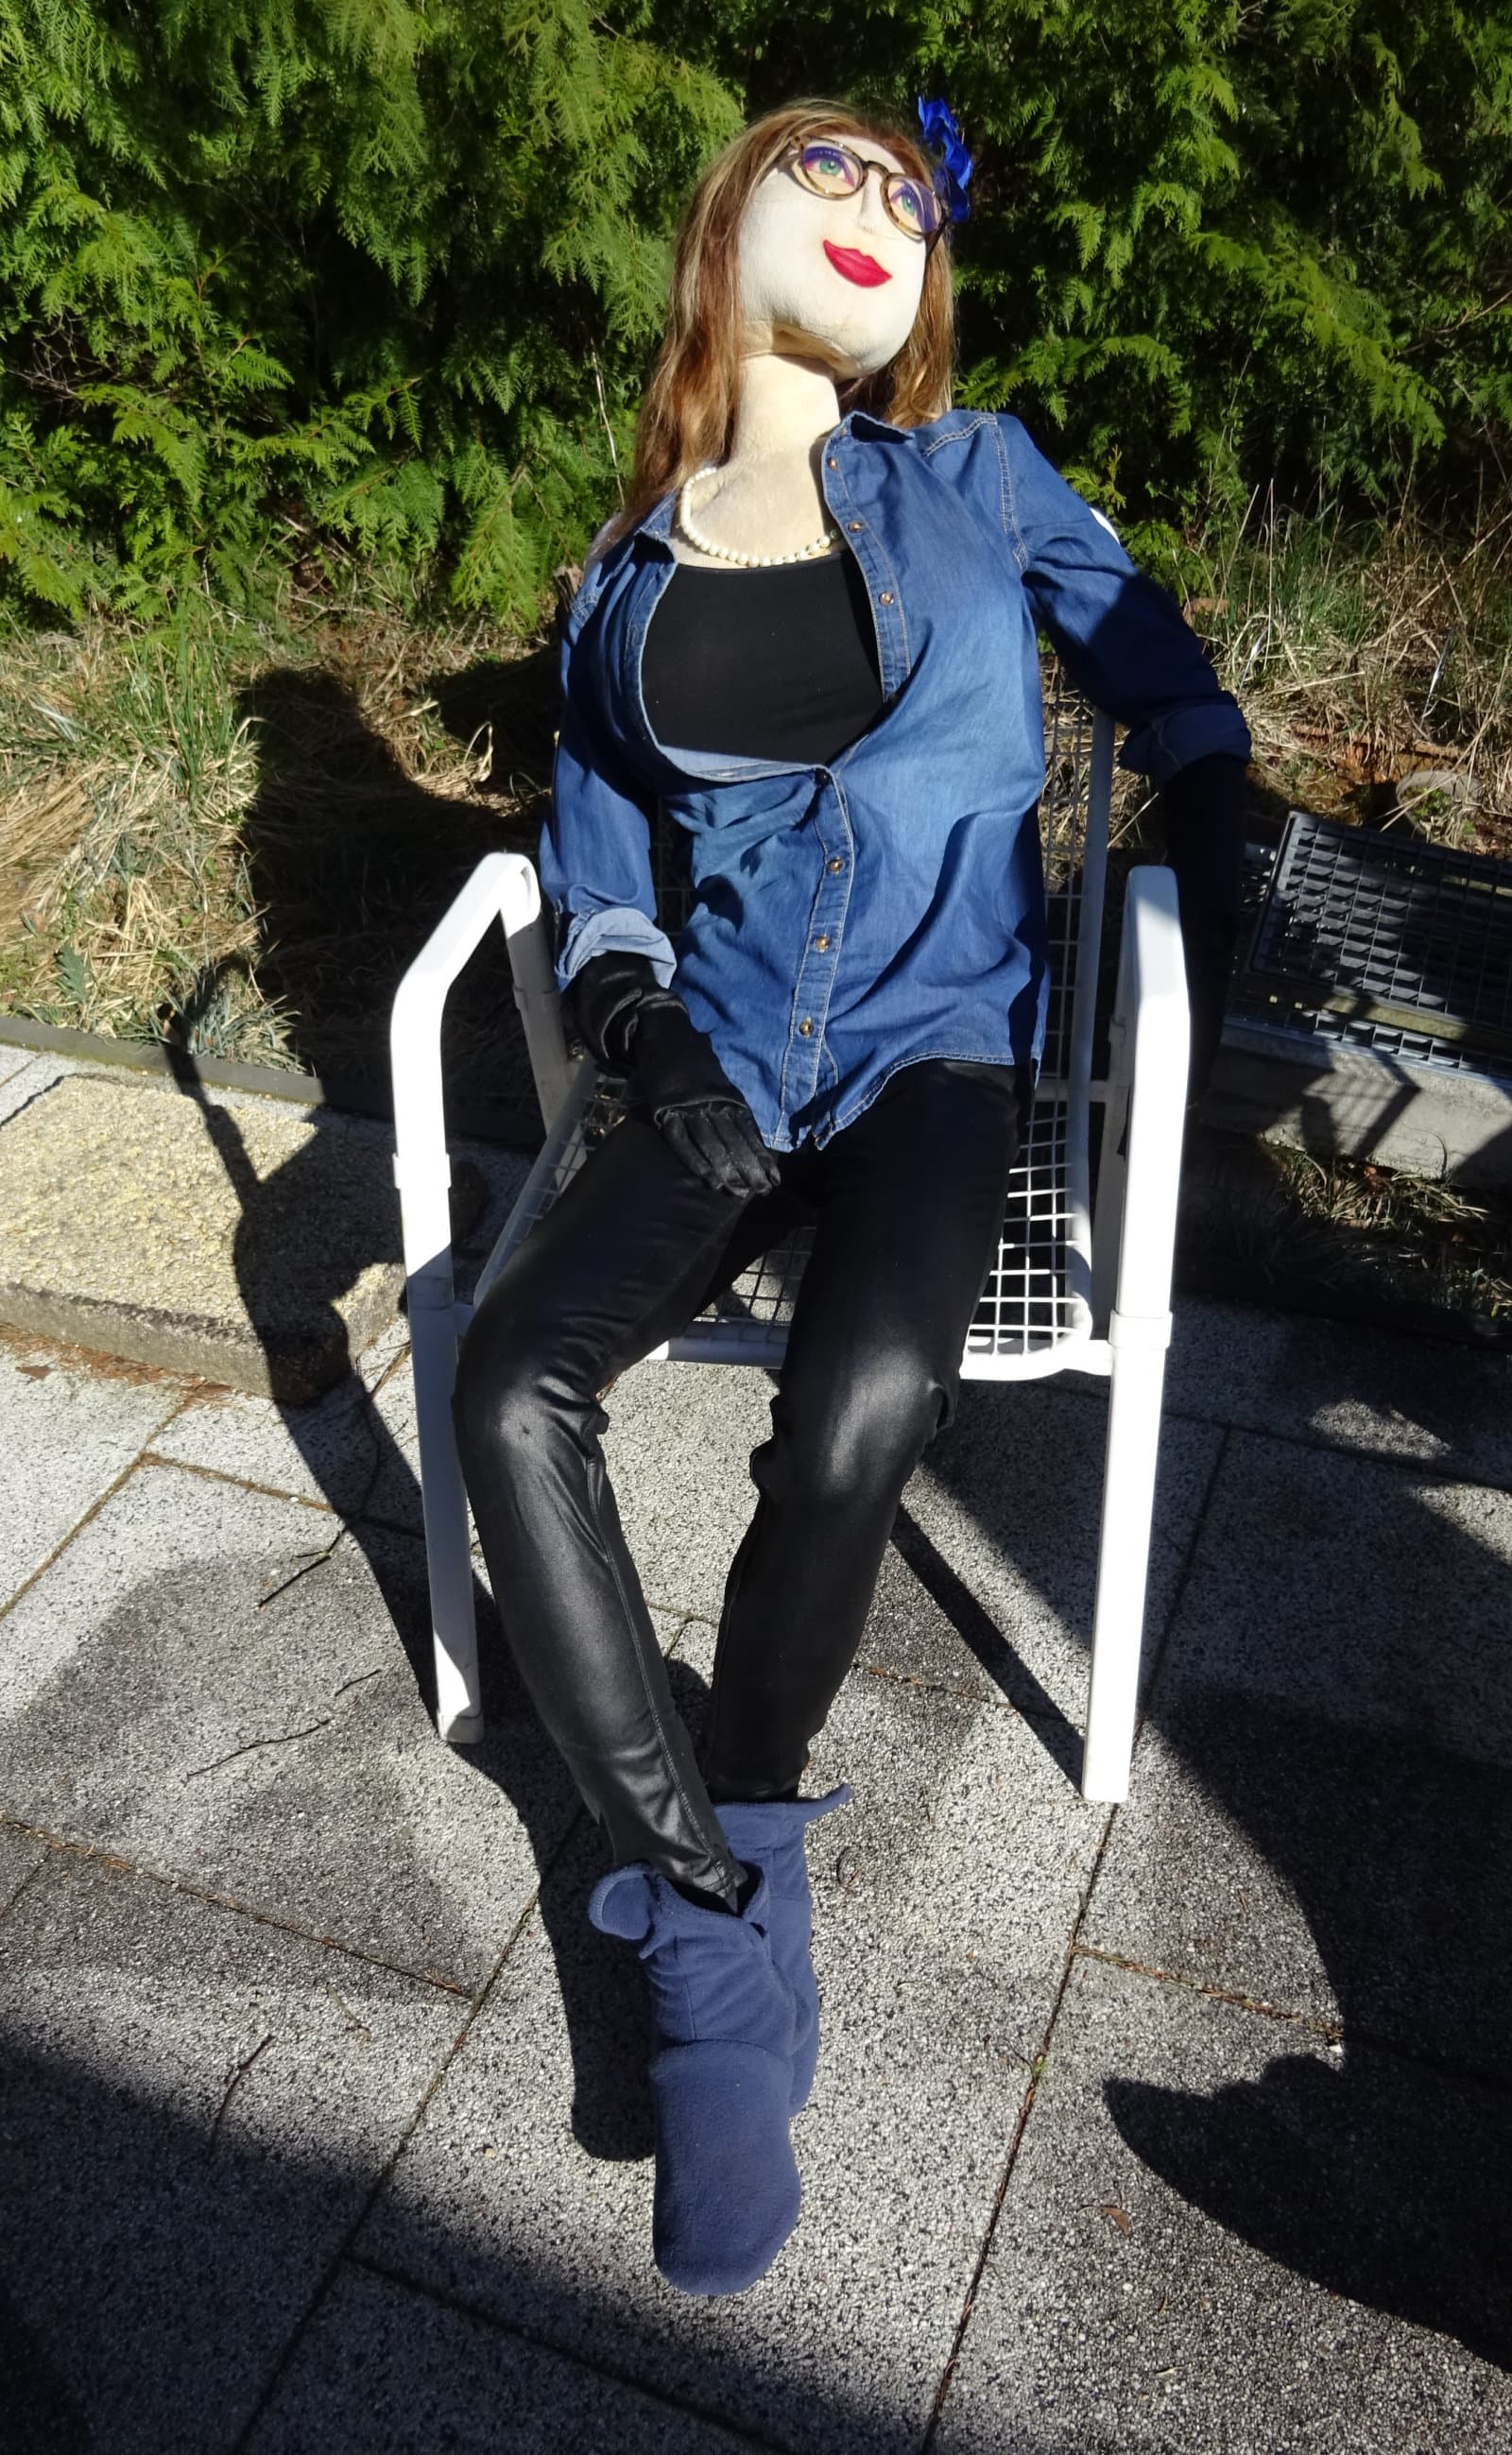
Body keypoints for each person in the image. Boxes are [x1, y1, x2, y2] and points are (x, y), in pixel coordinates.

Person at [453, 92, 1251, 2300]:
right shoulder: (624, 577)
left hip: (932, 1047)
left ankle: (742, 1790)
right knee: (508, 1385)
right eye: (832, 172)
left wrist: (1207, 832)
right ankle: (716, 1915)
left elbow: (1152, 659)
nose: (884, 207)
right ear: (726, 227)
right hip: (717, 1066)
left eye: (912, 191)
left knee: (861, 1411)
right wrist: (639, 1036)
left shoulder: (972, 475)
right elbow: (603, 873)